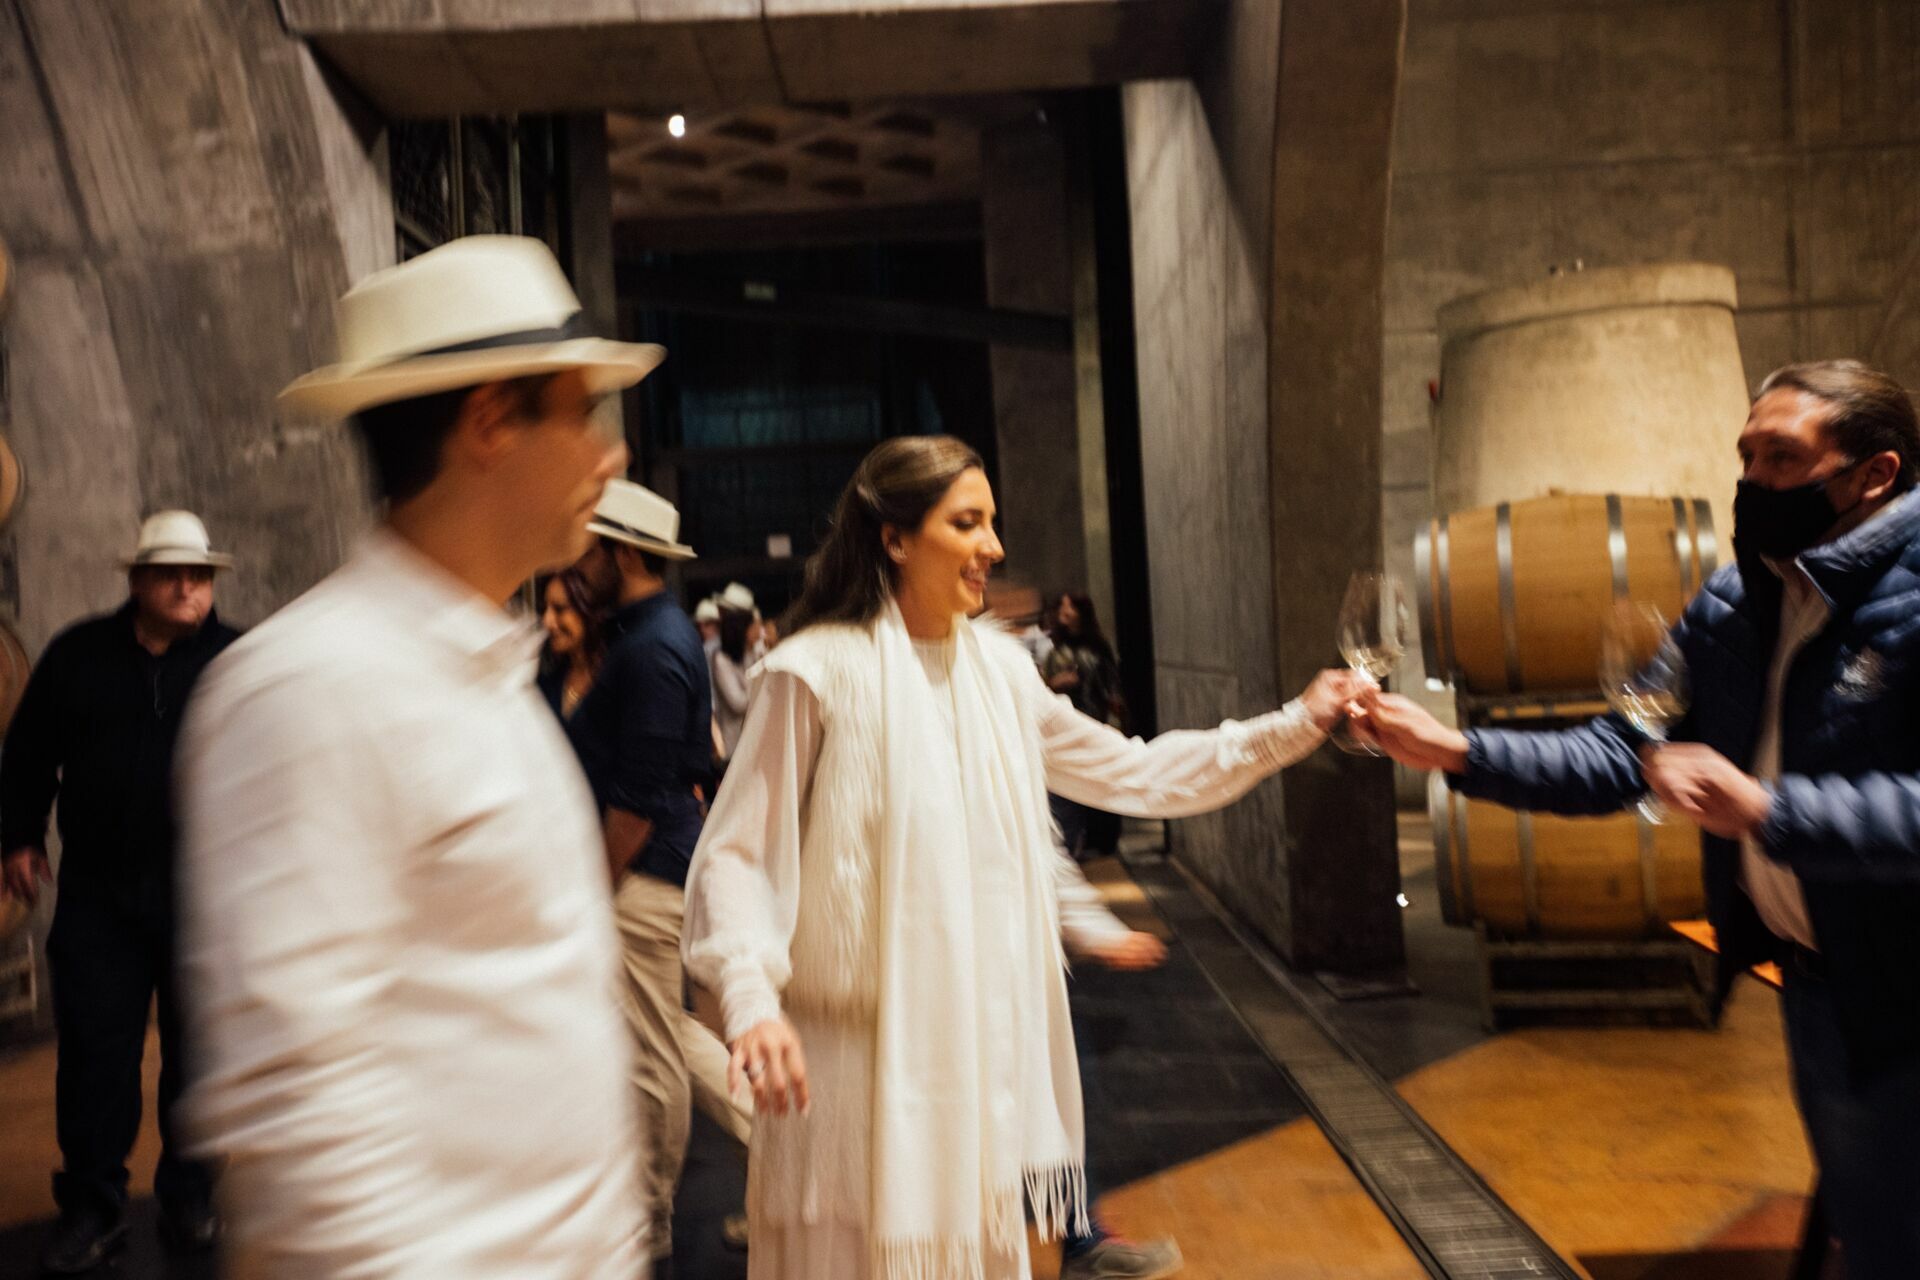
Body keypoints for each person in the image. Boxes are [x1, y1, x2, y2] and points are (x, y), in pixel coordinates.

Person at [681, 434, 1370, 1280]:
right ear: (894, 538)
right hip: (849, 1078)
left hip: (973, 1060)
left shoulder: (1001, 672)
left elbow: (1137, 770)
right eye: (967, 523)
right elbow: (737, 854)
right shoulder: (815, 672)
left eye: (993, 522)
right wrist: (750, 1000)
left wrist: (1295, 721)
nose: (995, 548)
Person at [1353, 359, 1920, 1277]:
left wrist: (1774, 810)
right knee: (1874, 1223)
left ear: (1874, 475)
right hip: (1822, 984)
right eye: (1745, 456)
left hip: (1905, 985)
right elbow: (1625, 748)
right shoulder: (1740, 600)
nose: (1751, 483)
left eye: (1782, 459)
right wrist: (1455, 752)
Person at [173, 235, 659, 1277]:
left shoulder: (484, 669)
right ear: (489, 421)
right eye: (581, 413)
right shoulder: (313, 689)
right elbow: (300, 1115)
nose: (606, 456)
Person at [0, 511, 240, 1273]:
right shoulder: (78, 656)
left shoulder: (237, 662)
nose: (187, 586)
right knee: (96, 1058)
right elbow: (29, 750)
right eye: (170, 572)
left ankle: (190, 1194)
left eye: (199, 575)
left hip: (204, 896)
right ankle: (93, 1206)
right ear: (135, 580)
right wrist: (18, 835)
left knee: (199, 1059)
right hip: (101, 895)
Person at [571, 478, 749, 1268]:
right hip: (652, 870)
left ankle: (648, 1227)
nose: (577, 561)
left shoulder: (654, 646)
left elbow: (638, 797)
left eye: (589, 548)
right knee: (670, 1035)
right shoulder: (652, 634)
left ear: (620, 553)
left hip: (639, 875)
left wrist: (593, 888)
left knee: (651, 1053)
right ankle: (791, 1154)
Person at [1044, 591, 1126, 858]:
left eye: (1069, 607)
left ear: (1081, 611)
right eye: (1062, 607)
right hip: (1066, 727)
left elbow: (1111, 684)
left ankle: (1103, 842)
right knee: (1070, 790)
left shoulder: (1098, 647)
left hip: (1097, 722)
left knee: (1103, 782)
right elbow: (1044, 686)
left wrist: (1116, 710)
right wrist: (1056, 683)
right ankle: (1074, 843)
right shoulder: (1057, 646)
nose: (1063, 612)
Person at [538, 567, 606, 720]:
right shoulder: (549, 682)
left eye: (559, 609)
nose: (547, 621)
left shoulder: (616, 675)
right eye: (544, 609)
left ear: (588, 609)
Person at [712, 598, 756, 764]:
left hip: (753, 740)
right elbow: (738, 703)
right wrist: (758, 683)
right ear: (742, 630)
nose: (758, 630)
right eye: (753, 626)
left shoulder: (751, 653)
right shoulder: (721, 659)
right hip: (735, 745)